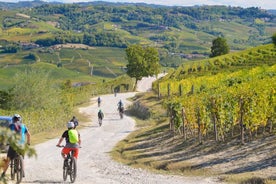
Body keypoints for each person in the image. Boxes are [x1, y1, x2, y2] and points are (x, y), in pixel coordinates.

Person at [1, 114, 31, 178]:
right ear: (20, 120)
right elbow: (28, 135)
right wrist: (28, 143)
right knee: (22, 158)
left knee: (8, 159)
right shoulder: (23, 126)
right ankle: (22, 171)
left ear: (13, 120)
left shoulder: (11, 125)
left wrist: (6, 142)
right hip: (22, 145)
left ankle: (3, 174)